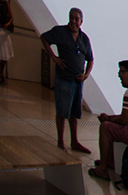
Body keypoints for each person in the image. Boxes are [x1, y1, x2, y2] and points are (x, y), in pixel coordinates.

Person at [40, 8, 94, 152]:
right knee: (62, 111)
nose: (74, 21)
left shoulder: (84, 39)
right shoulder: (60, 32)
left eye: (77, 19)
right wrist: (54, 57)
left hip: (77, 82)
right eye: (72, 18)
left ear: (81, 21)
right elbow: (44, 38)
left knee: (74, 113)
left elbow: (90, 59)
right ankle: (60, 142)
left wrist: (86, 75)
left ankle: (74, 141)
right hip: (64, 79)